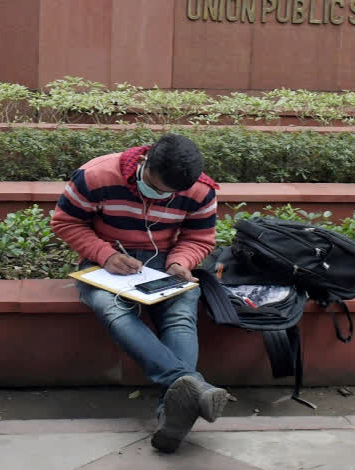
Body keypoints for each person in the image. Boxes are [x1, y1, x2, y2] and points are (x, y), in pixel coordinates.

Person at [51, 133, 226, 452]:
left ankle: (172, 411)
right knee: (111, 306)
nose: (161, 196)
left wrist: (180, 262)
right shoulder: (95, 175)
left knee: (181, 312)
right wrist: (105, 255)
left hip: (164, 262)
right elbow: (65, 223)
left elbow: (199, 237)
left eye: (170, 193)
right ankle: (191, 386)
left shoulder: (200, 189)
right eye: (156, 187)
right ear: (145, 162)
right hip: (105, 259)